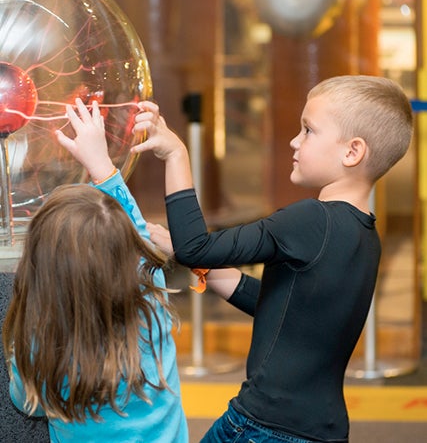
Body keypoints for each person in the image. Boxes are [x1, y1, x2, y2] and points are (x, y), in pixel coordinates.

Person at [131, 75, 414, 443]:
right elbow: (283, 307)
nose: (295, 141)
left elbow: (195, 247)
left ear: (352, 151)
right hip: (320, 431)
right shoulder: (365, 235)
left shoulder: (311, 220)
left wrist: (175, 154)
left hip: (262, 427)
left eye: (308, 130)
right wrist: (187, 254)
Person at [2, 99, 188, 443]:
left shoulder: (39, 345)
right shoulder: (151, 303)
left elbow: (23, 401)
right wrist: (102, 164)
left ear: (38, 270)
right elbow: (140, 235)